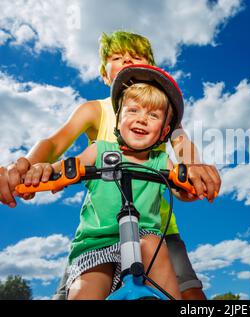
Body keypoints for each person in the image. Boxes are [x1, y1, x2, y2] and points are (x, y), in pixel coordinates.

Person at [0, 31, 220, 300]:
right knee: (80, 288)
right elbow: (54, 143)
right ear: (105, 75)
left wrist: (194, 170)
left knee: (190, 293)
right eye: (117, 57)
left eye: (136, 57)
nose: (127, 61)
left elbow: (183, 146)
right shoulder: (95, 110)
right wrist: (25, 166)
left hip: (156, 225)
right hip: (102, 227)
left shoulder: (166, 115)